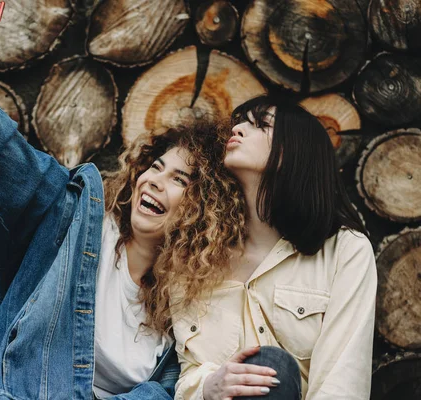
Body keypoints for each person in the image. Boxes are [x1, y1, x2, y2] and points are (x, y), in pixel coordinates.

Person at [0, 15, 245, 400]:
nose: (154, 180)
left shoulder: (189, 308)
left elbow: (169, 392)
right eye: (156, 167)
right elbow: (8, 163)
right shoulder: (71, 220)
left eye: (179, 180)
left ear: (207, 212)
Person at [159, 96, 377, 400]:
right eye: (240, 122)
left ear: (293, 151)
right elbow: (189, 371)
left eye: (261, 125)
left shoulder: (345, 251)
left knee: (273, 366)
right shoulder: (191, 257)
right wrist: (208, 386)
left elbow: (342, 383)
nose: (238, 130)